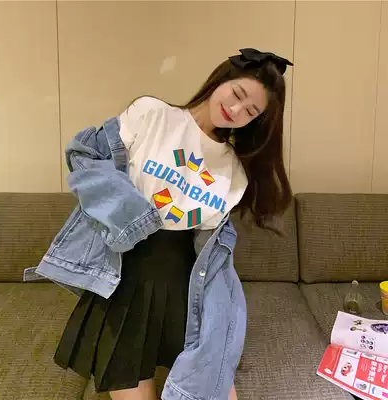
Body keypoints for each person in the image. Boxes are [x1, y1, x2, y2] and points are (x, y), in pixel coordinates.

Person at [51, 48, 293, 400]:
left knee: (212, 387)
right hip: (126, 272)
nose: (237, 109)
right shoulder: (151, 114)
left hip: (188, 284)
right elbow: (86, 156)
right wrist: (130, 216)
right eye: (238, 93)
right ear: (222, 79)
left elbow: (210, 247)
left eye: (251, 111)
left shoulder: (234, 171)